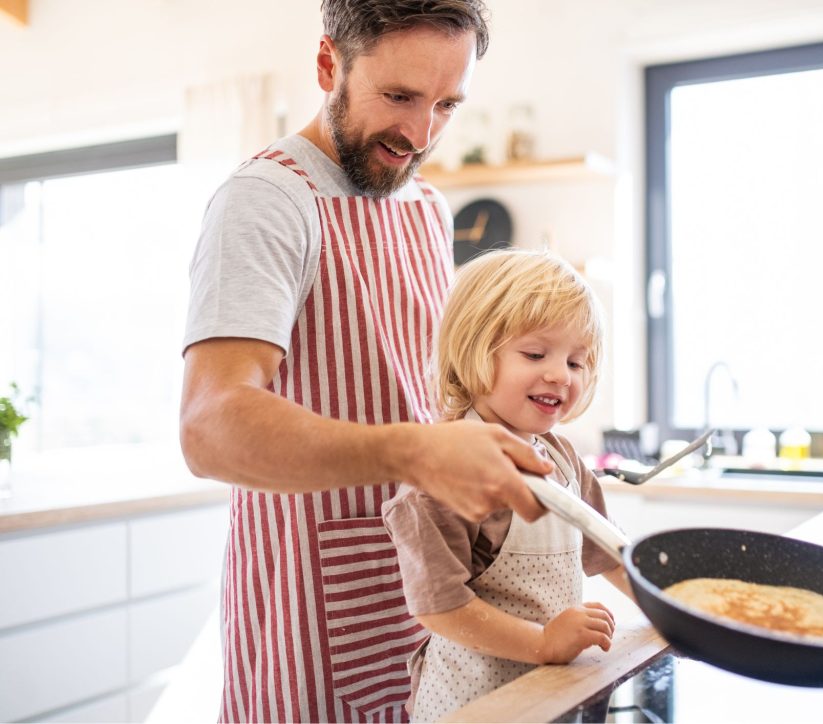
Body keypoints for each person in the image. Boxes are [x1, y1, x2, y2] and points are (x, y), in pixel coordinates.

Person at [178, 2, 551, 722]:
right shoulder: (267, 200)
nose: (419, 133)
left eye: (446, 104)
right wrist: (416, 453)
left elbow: (424, 391)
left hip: (429, 610)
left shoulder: (427, 208)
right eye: (400, 96)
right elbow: (208, 426)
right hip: (310, 623)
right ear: (329, 65)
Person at [382, 250, 634, 722]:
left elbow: (613, 552)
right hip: (475, 702)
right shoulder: (442, 474)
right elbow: (439, 608)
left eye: (577, 362)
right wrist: (542, 642)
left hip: (548, 692)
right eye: (536, 354)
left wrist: (671, 612)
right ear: (474, 350)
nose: (561, 374)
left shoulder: (562, 459)